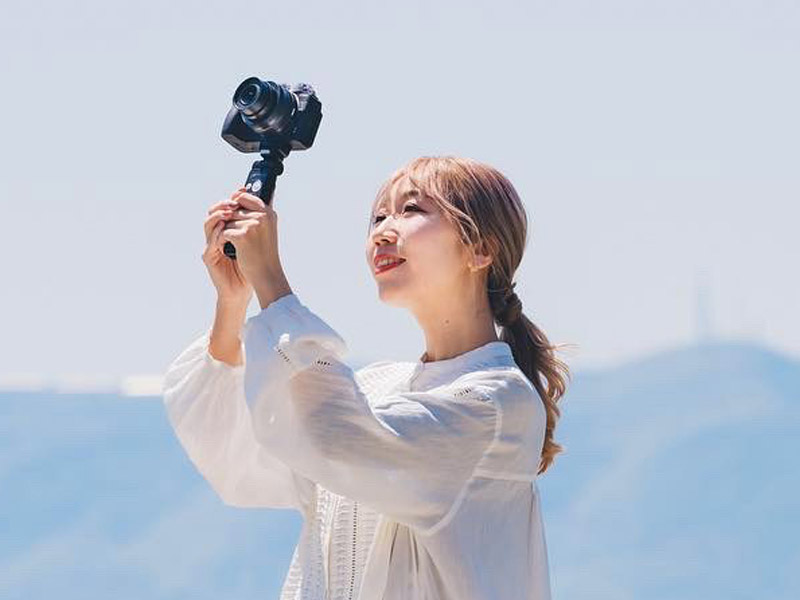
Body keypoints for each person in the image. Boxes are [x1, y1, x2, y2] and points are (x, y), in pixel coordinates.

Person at [161, 155, 571, 600]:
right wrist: (234, 299)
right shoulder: (378, 388)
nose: (383, 231)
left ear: (480, 249)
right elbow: (237, 451)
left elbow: (338, 437)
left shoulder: (498, 403)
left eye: (411, 209)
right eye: (377, 217)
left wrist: (270, 279)